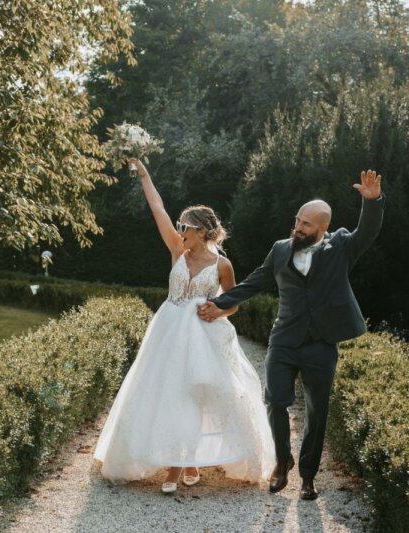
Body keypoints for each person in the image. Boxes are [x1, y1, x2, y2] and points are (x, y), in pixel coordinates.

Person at [197, 170, 384, 500]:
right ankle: (282, 462)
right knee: (275, 401)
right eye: (297, 220)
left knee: (317, 412)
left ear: (323, 228)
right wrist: (219, 303)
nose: (297, 227)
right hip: (283, 340)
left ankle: (309, 476)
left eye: (306, 224)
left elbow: (367, 231)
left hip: (321, 344)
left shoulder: (341, 246)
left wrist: (373, 202)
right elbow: (255, 281)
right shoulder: (281, 249)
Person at [94, 159, 274, 493]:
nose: (180, 231)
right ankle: (181, 461)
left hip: (204, 336)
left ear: (202, 231)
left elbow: (233, 303)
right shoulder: (177, 251)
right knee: (167, 392)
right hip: (168, 331)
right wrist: (145, 175)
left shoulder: (222, 265)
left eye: (186, 227)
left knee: (197, 395)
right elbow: (157, 208)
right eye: (179, 226)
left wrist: (217, 312)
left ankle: (187, 461)